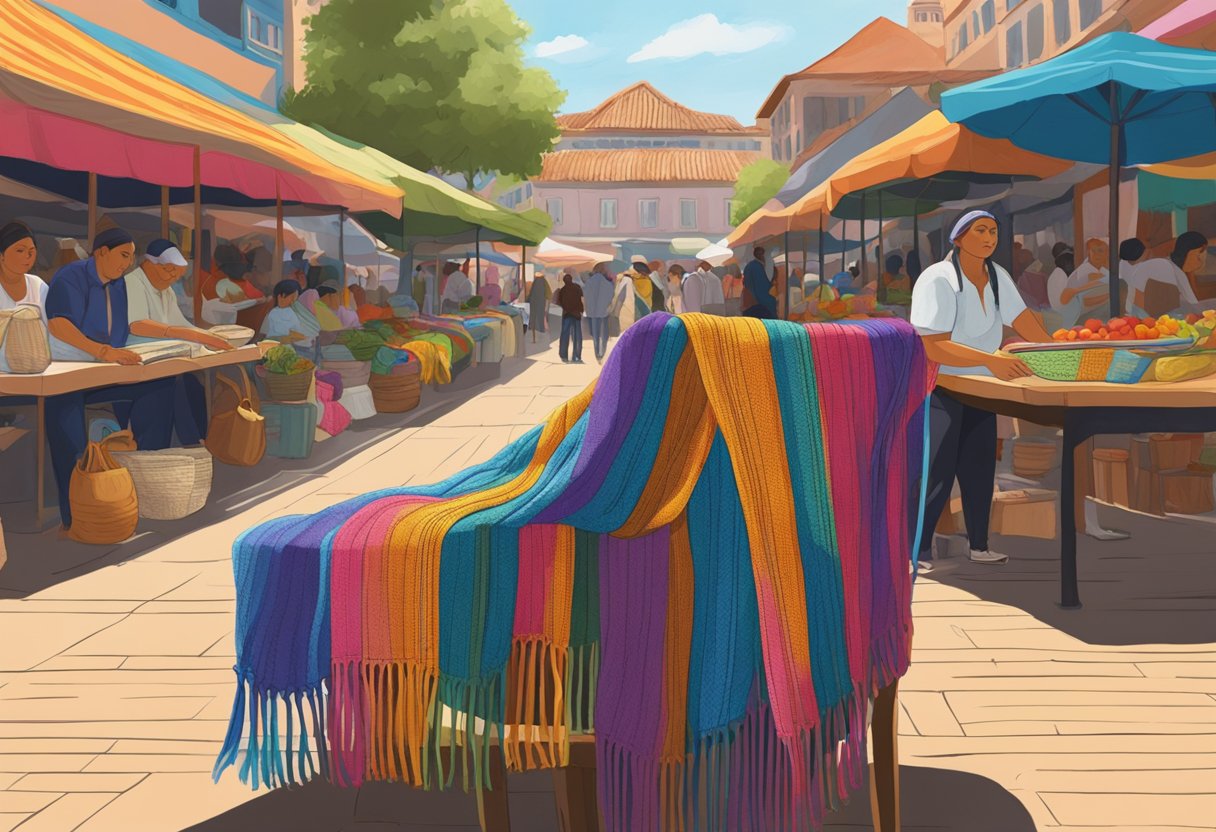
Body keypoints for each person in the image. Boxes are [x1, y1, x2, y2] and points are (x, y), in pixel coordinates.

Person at [909, 210, 1053, 570]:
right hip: (943, 388)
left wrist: (1055, 352)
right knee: (936, 473)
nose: (989, 238)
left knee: (978, 471)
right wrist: (991, 360)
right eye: (980, 231)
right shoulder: (937, 279)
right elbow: (932, 346)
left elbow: (1024, 322)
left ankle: (979, 545)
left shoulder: (997, 276)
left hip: (984, 389)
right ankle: (918, 551)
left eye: (993, 231)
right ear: (958, 239)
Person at [44, 227, 178, 533]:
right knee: (65, 407)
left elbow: (119, 331)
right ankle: (76, 514)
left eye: (131, 257)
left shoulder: (118, 286)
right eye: (123, 255)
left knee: (160, 388)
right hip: (69, 368)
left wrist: (123, 354)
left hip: (105, 369)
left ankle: (142, 487)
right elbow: (59, 324)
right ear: (101, 252)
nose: (127, 263)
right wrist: (104, 351)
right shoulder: (70, 276)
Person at [126, 239, 237, 448]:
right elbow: (137, 325)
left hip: (163, 356)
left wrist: (209, 336)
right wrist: (192, 335)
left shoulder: (166, 291)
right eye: (169, 271)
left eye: (177, 274)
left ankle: (196, 442)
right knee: (174, 387)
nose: (173, 278)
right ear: (150, 264)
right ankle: (189, 443)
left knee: (191, 384)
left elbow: (180, 323)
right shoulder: (133, 282)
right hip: (137, 355)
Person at [1132, 232, 1206, 318]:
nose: (1200, 261)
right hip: (1147, 317)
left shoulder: (1165, 264)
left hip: (1139, 313)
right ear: (1190, 254)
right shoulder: (1174, 271)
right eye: (1198, 255)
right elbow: (1194, 304)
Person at [0, 222, 48, 322]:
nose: (28, 256)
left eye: (31, 251)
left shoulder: (37, 285)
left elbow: (50, 326)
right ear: (2, 255)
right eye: (20, 250)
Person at [1061, 238, 1112, 324]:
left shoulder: (1104, 271)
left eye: (1100, 251)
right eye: (1093, 251)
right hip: (1079, 319)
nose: (1097, 254)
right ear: (1088, 252)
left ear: (1107, 254)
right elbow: (1087, 301)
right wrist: (1111, 296)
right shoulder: (1085, 272)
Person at [264, 279, 314, 350]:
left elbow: (298, 331)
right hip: (273, 348)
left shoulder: (293, 313)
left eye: (296, 297)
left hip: (291, 348)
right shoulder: (272, 314)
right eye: (292, 297)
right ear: (282, 295)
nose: (294, 300)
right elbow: (264, 336)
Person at [583, 263, 614, 363]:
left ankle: (597, 354)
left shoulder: (589, 282)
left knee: (595, 334)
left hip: (592, 312)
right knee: (604, 334)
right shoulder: (607, 283)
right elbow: (611, 297)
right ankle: (603, 352)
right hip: (603, 312)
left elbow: (585, 297)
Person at [555, 273, 584, 364]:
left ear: (564, 281)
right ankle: (576, 356)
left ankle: (564, 356)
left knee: (565, 335)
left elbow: (559, 302)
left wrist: (565, 307)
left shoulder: (562, 290)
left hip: (567, 314)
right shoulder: (577, 288)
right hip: (576, 314)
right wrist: (581, 310)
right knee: (577, 336)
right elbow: (581, 300)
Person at [742, 247, 777, 319]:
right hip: (759, 302)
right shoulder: (757, 266)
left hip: (751, 301)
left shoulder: (750, 265)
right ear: (761, 255)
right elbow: (762, 286)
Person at [527, 272, 551, 342]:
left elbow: (531, 294)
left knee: (534, 317)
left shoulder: (535, 283)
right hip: (541, 303)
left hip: (534, 303)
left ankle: (534, 334)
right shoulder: (544, 283)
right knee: (540, 316)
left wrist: (527, 300)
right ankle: (540, 330)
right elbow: (548, 294)